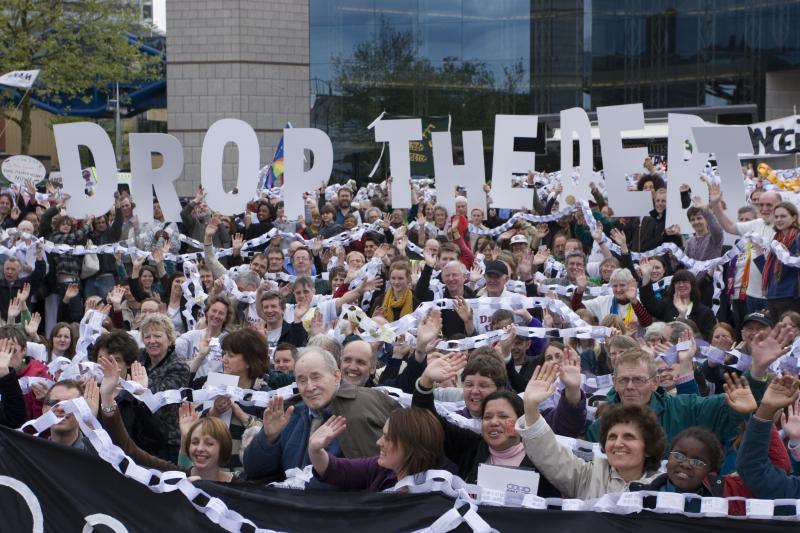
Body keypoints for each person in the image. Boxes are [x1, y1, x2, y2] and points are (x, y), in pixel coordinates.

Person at [583, 339, 787, 460]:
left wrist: (758, 370)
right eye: (623, 380)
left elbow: (733, 403)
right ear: (614, 382)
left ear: (655, 383)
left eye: (638, 380)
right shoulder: (600, 428)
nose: (629, 386)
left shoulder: (685, 407)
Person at [242, 347, 398, 483]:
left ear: (336, 377)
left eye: (316, 377)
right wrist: (268, 437)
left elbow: (373, 475)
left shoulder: (361, 407)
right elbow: (254, 470)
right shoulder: (290, 414)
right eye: (302, 380)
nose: (309, 387)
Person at [516, 362, 664, 499]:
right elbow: (548, 452)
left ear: (649, 448)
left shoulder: (665, 485)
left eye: (629, 437)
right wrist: (530, 406)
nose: (618, 443)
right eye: (612, 437)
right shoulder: (587, 476)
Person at [308, 407, 446, 492]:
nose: (378, 442)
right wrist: (315, 450)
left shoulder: (439, 490)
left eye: (388, 438)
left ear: (410, 445)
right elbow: (335, 469)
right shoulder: (380, 469)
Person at [709, 183, 780, 313]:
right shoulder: (757, 223)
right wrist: (716, 205)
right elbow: (730, 226)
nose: (764, 208)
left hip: (773, 295)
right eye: (761, 205)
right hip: (751, 294)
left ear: (779, 206)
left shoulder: (785, 229)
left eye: (769, 205)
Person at [138, 313, 190, 461]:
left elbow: (157, 398)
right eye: (147, 337)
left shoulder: (179, 367)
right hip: (140, 435)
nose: (152, 341)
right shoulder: (139, 359)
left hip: (166, 441)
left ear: (170, 339)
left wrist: (137, 386)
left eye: (157, 336)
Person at [639, 262, 716, 340]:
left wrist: (683, 316)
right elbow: (649, 303)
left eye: (685, 282)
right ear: (673, 286)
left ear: (692, 286)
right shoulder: (666, 305)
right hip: (667, 349)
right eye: (678, 282)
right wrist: (646, 277)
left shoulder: (706, 312)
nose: (681, 285)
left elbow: (708, 339)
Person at [753, 201, 800, 319]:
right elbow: (767, 273)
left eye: (783, 216)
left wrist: (786, 254)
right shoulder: (776, 239)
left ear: (794, 217)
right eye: (776, 216)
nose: (779, 219)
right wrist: (758, 250)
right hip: (772, 296)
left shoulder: (798, 237)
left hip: (791, 296)